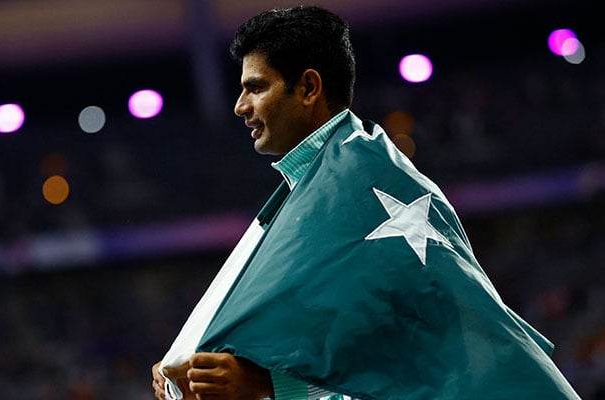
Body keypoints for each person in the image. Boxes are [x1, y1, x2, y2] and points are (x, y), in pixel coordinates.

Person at [152, 6, 580, 400]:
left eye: (256, 87)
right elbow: (348, 339)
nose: (240, 106)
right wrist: (196, 359)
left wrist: (266, 383)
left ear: (308, 87)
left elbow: (408, 346)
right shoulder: (322, 185)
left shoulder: (358, 184)